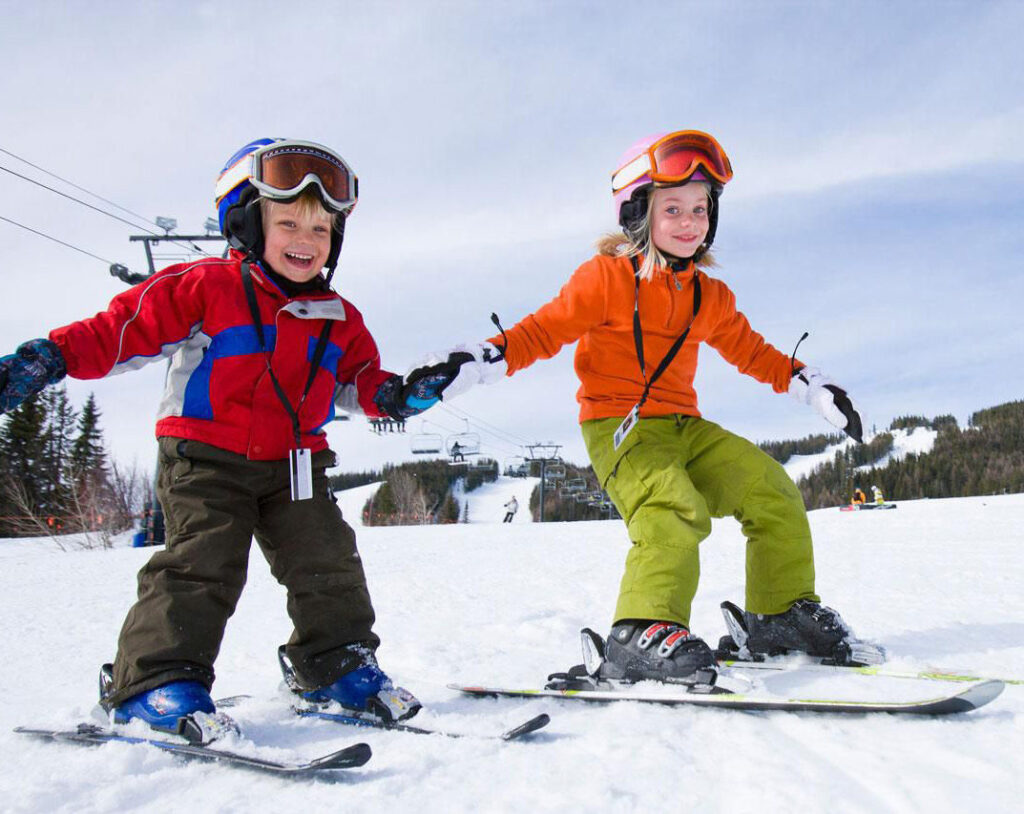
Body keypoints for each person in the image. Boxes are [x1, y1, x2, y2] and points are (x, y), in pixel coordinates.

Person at [0, 138, 457, 743]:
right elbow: (120, 331)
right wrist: (49, 358)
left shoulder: (339, 315)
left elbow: (360, 383)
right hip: (204, 458)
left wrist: (399, 396)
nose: (306, 239)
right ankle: (152, 683)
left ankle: (333, 667)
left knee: (327, 561)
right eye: (289, 222)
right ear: (245, 223)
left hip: (297, 463)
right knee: (203, 563)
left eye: (321, 229)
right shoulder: (204, 286)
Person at [406, 129, 882, 686]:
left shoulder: (709, 295)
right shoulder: (606, 279)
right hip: (618, 425)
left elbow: (751, 352)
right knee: (672, 506)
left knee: (770, 488)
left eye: (700, 209)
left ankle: (778, 615)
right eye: (672, 208)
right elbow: (544, 329)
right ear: (637, 214)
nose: (690, 222)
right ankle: (640, 633)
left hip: (684, 424)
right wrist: (480, 359)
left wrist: (812, 386)